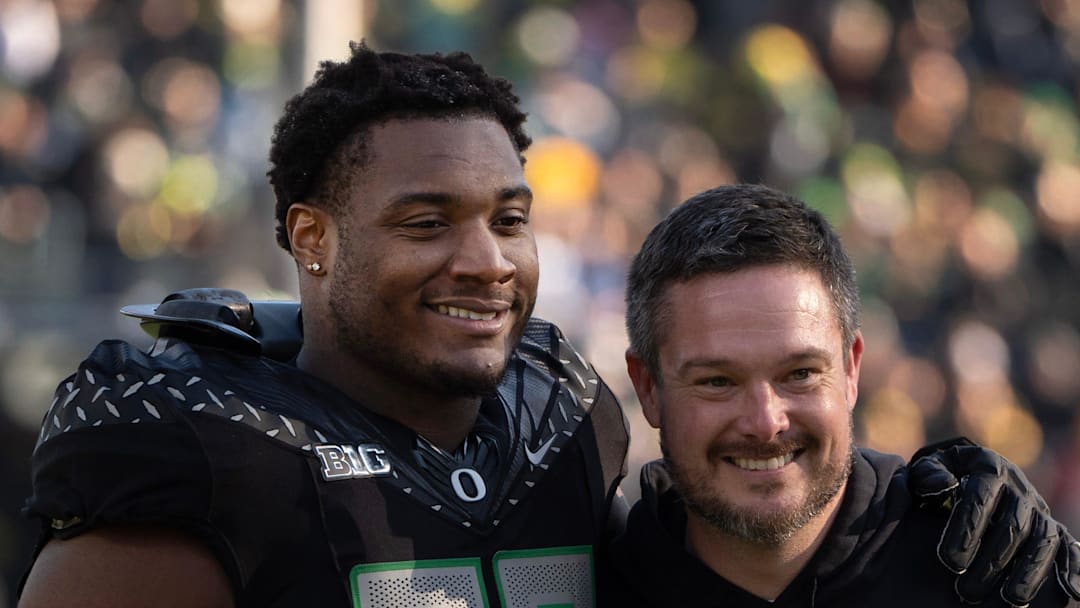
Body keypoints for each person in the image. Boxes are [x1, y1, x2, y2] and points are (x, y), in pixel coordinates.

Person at [13, 44, 1077, 607]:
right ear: (312, 237)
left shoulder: (562, 417)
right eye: (426, 222)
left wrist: (921, 499)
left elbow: (750, 497)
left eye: (509, 220)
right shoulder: (203, 447)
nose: (484, 259)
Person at [604, 183, 1080, 606]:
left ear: (851, 369)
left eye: (800, 374)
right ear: (647, 386)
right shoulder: (594, 586)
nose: (766, 422)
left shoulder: (990, 570)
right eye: (717, 382)